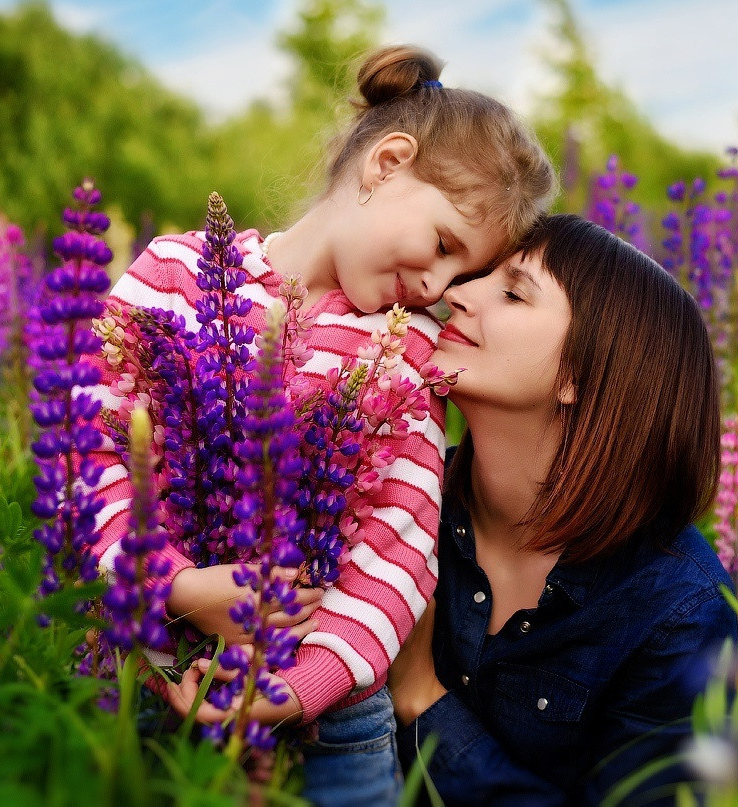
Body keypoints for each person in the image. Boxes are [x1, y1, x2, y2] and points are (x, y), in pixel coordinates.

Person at [85, 44, 555, 804]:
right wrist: (177, 585)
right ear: (386, 163)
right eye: (442, 243)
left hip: (327, 717)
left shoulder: (405, 353)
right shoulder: (171, 274)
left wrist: (304, 684)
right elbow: (97, 454)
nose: (435, 283)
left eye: (457, 275)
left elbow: (397, 552)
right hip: (156, 670)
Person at [387, 213, 738, 805]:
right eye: (478, 275)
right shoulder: (392, 495)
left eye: (512, 293)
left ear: (579, 373)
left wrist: (422, 695)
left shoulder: (676, 608)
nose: (454, 293)